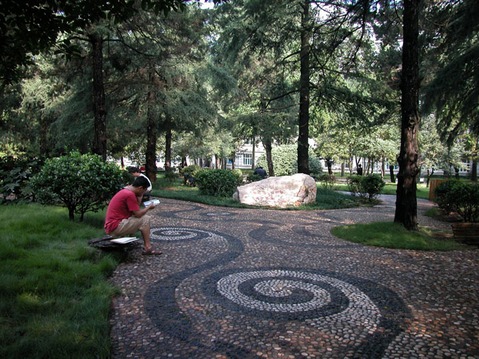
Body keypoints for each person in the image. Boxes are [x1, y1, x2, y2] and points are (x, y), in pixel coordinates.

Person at [104, 176, 161, 255]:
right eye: (144, 191)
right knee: (145, 219)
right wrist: (148, 207)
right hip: (115, 227)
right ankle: (148, 247)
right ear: (140, 188)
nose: (144, 193)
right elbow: (138, 214)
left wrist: (140, 197)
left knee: (136, 218)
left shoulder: (126, 190)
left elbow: (135, 209)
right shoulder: (129, 195)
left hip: (112, 225)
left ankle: (130, 242)